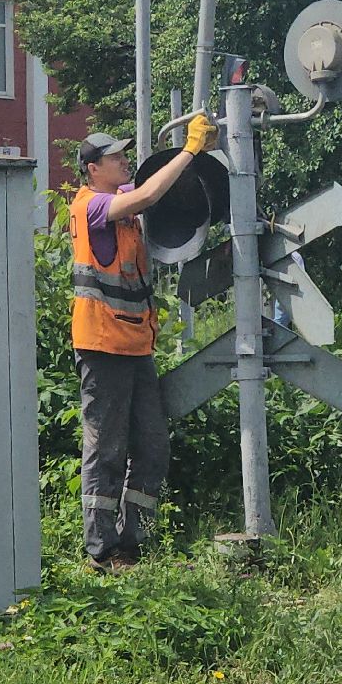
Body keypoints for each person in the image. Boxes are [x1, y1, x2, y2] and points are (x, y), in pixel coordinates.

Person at [69, 114, 217, 570]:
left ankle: (134, 542)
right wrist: (191, 150)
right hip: (102, 345)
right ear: (93, 169)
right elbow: (150, 194)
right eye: (115, 157)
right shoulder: (90, 206)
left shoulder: (121, 210)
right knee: (107, 448)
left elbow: (155, 200)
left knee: (152, 445)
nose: (124, 161)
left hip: (134, 345)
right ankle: (101, 548)